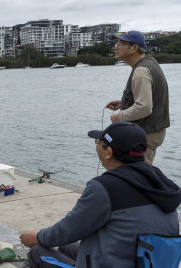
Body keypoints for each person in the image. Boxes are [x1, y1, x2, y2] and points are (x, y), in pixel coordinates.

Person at [20, 121, 181, 268]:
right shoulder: (160, 182)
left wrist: (38, 237)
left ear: (108, 152)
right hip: (143, 260)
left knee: (38, 251)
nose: (96, 145)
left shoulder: (105, 187)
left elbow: (66, 230)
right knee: (66, 247)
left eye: (99, 142)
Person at [105, 30, 169, 164]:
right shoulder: (150, 63)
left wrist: (119, 117)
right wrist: (123, 103)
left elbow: (144, 107)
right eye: (116, 43)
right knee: (139, 173)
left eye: (121, 43)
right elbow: (150, 96)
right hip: (153, 131)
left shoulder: (140, 71)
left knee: (138, 175)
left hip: (146, 134)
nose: (116, 47)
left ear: (134, 48)